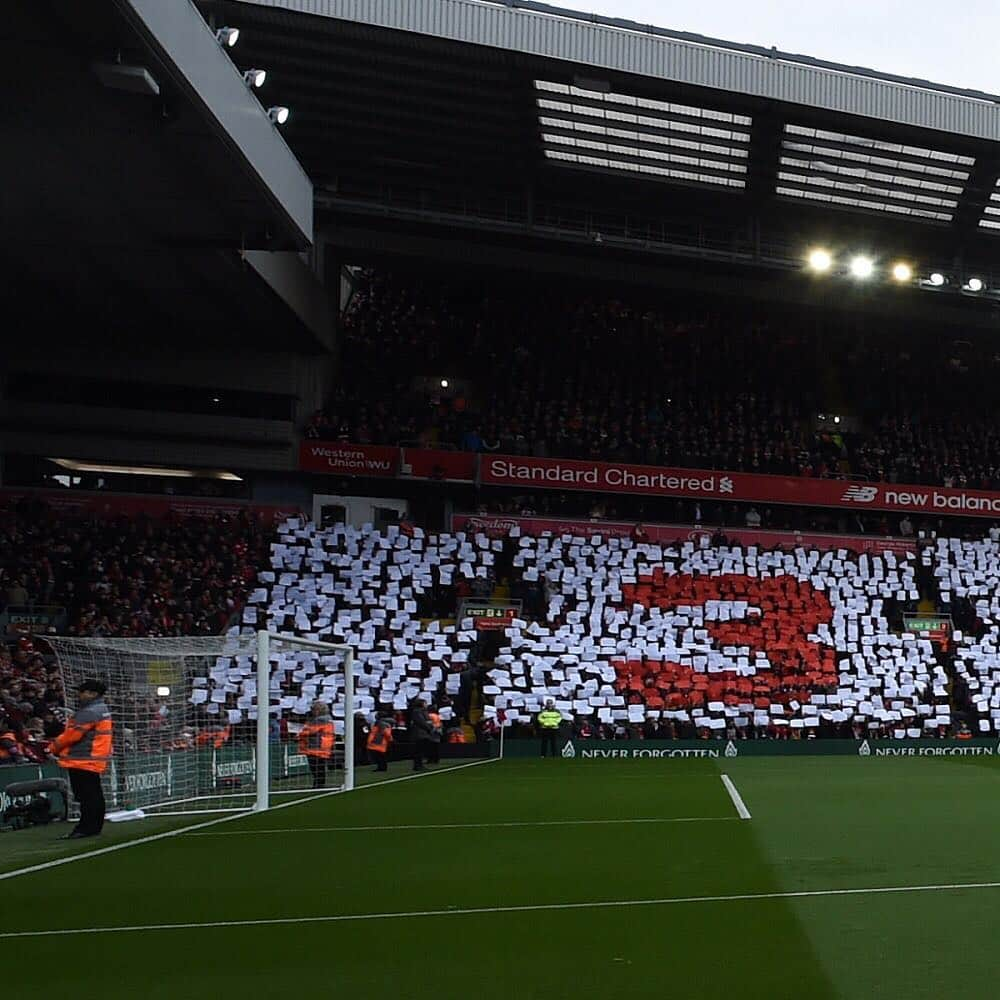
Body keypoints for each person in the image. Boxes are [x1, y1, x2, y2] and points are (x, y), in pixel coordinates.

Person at [50, 678, 113, 839]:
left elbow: (71, 736)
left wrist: (52, 747)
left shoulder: (88, 712)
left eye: (82, 692)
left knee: (86, 796)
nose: (79, 695)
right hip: (95, 757)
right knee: (94, 794)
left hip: (82, 758)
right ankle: (94, 826)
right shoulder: (103, 709)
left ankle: (85, 828)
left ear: (92, 693)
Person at [298, 700, 335, 789]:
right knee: (318, 767)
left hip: (317, 746)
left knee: (316, 767)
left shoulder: (320, 720)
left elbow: (311, 730)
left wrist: (301, 733)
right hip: (321, 745)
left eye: (314, 709)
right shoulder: (325, 719)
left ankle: (319, 783)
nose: (312, 711)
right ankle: (319, 783)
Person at [410, 699, 434, 771]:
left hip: (423, 733)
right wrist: (429, 728)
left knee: (421, 750)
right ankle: (418, 765)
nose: (426, 704)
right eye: (425, 703)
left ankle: (419, 765)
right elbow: (421, 722)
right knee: (418, 750)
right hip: (419, 733)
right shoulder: (417, 712)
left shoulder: (423, 711)